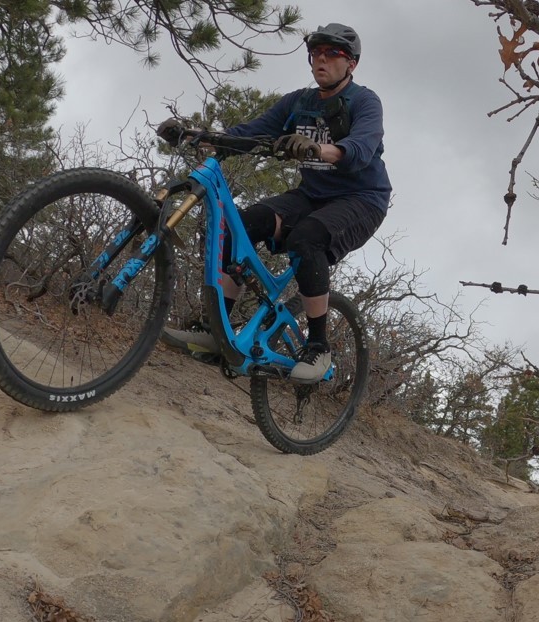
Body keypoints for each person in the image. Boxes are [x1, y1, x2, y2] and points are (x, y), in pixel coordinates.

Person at [157, 22, 390, 382]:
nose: (321, 60)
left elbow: (359, 150)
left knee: (307, 239)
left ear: (352, 63)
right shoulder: (300, 102)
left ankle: (318, 347)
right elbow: (248, 134)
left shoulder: (364, 101)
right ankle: (217, 333)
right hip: (311, 195)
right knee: (240, 228)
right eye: (316, 53)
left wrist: (317, 148)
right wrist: (195, 136)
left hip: (362, 199)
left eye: (332, 53)